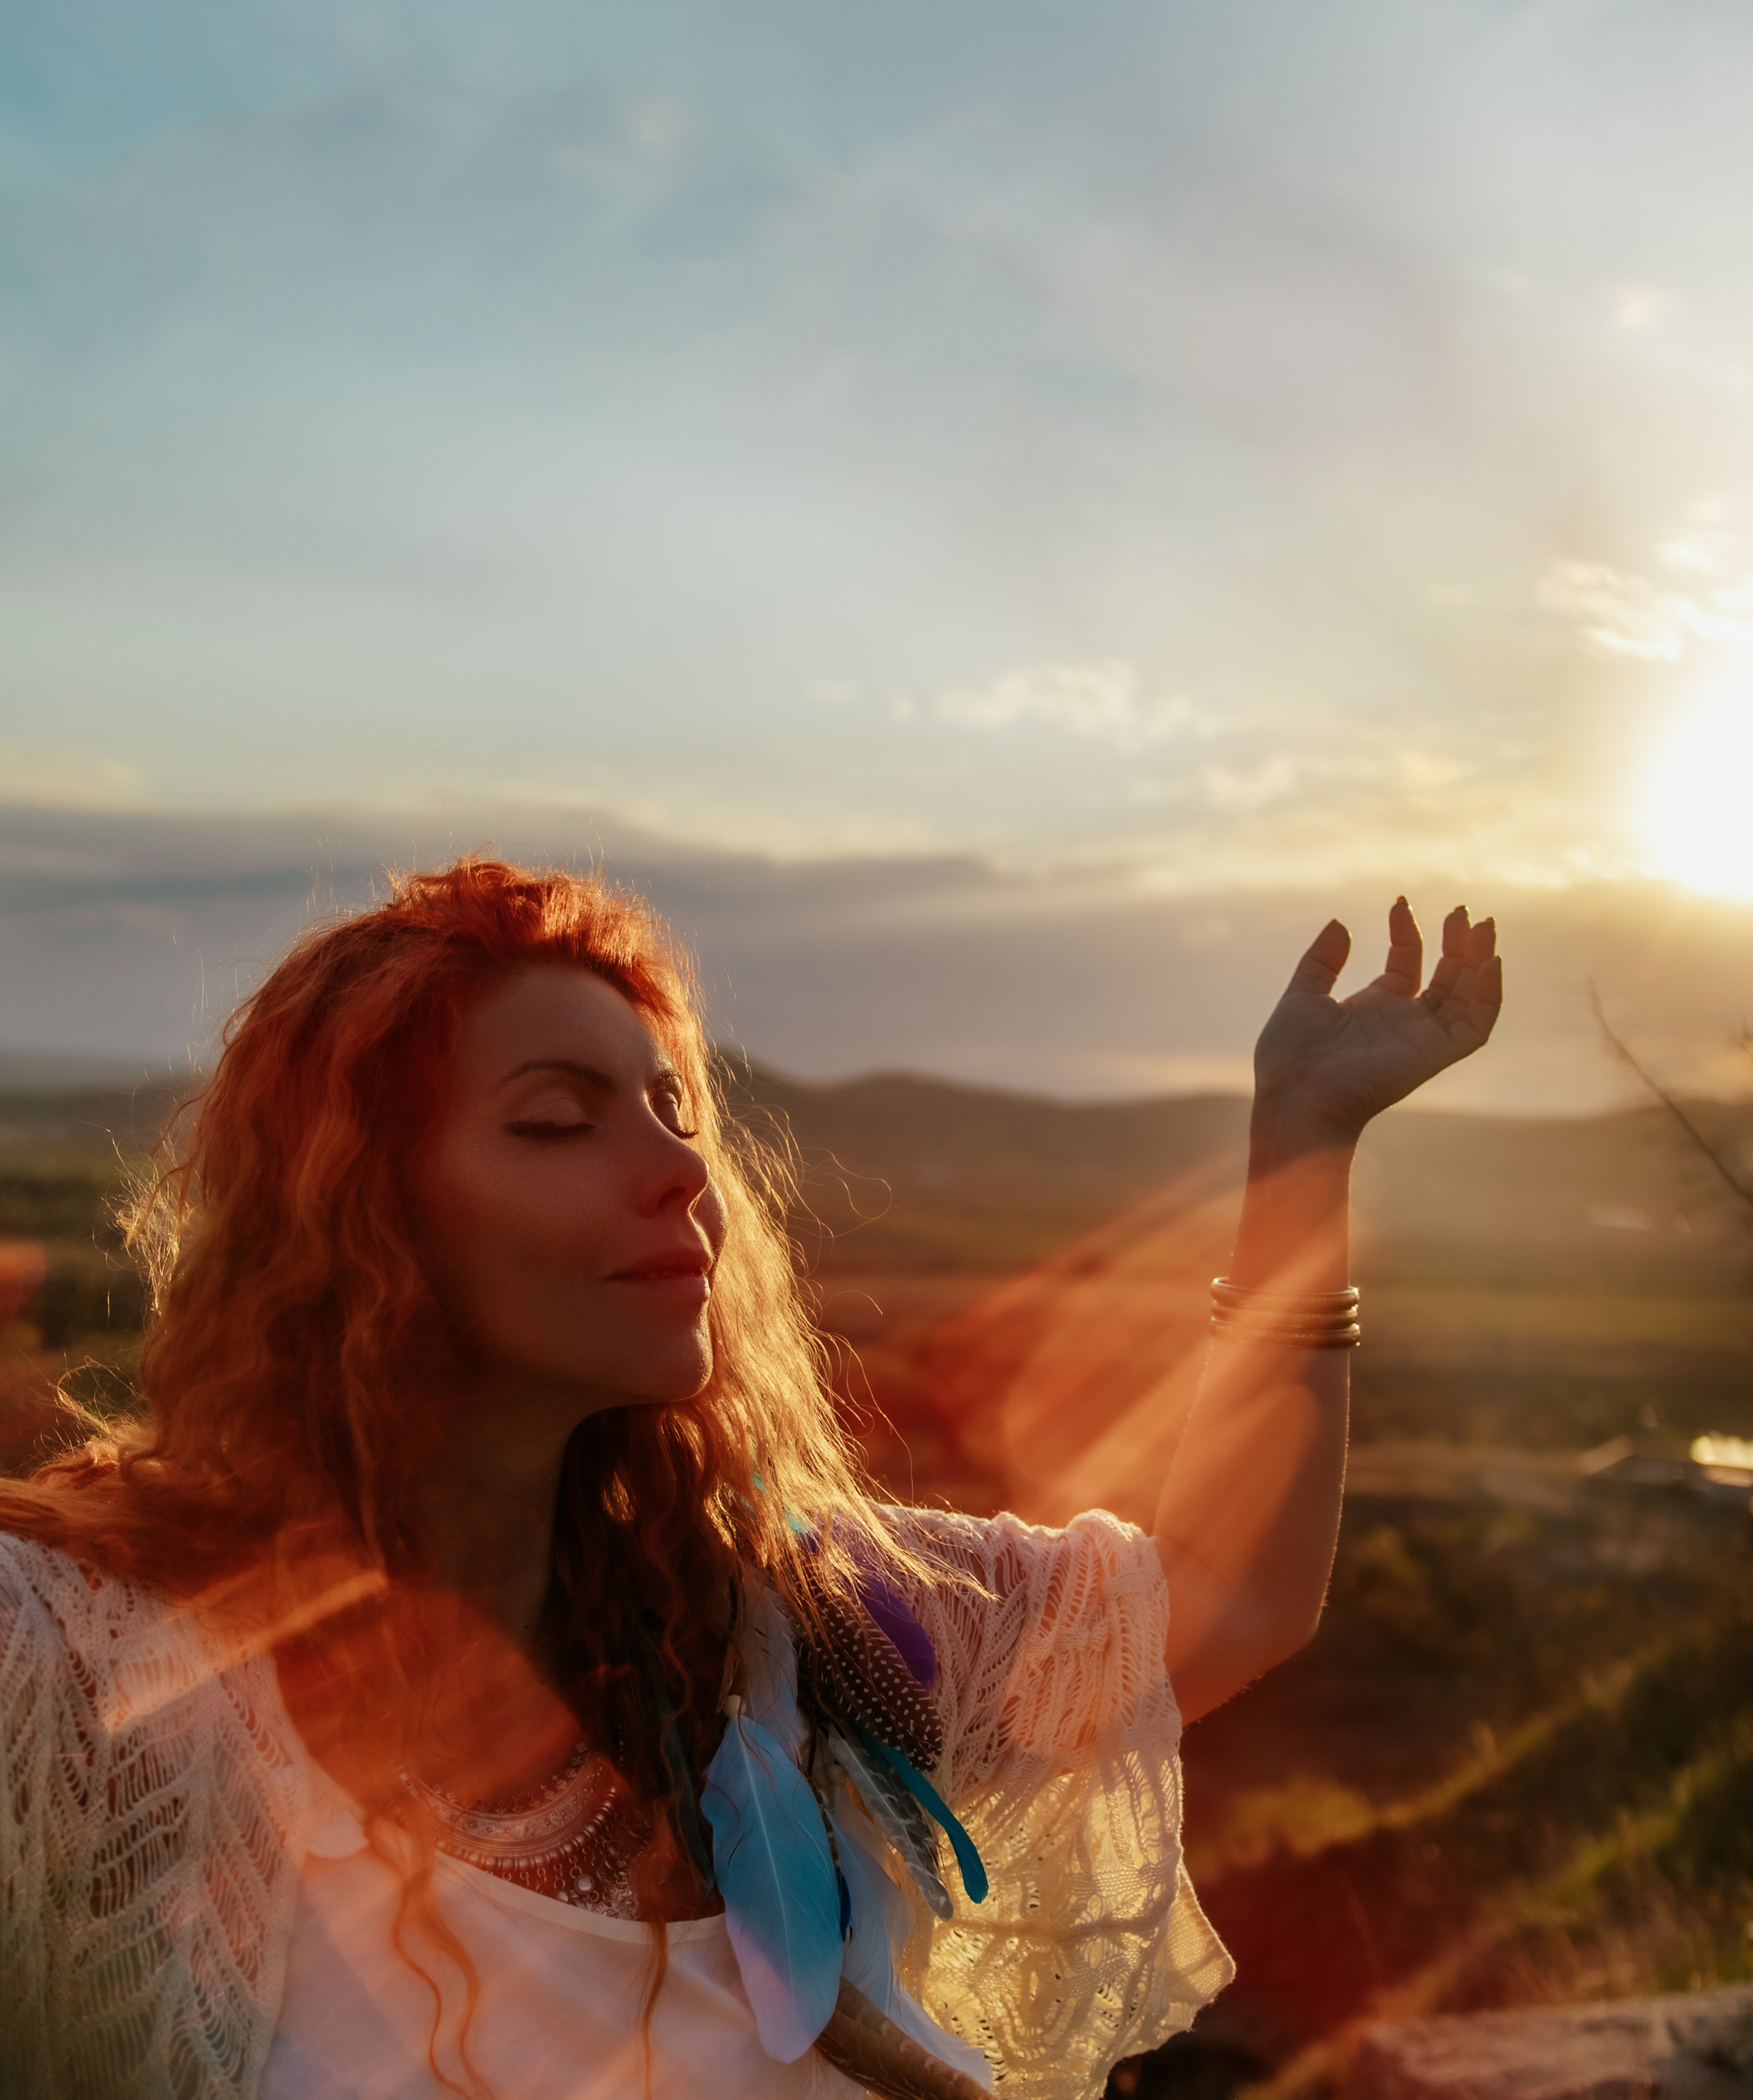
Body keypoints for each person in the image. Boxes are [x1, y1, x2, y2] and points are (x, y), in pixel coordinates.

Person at [0, 858, 1500, 2100]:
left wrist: (1301, 1149)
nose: (676, 1170)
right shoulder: (86, 1677)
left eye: (671, 1110)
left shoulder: (798, 1636)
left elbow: (1221, 1601)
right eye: (556, 1120)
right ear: (354, 1213)